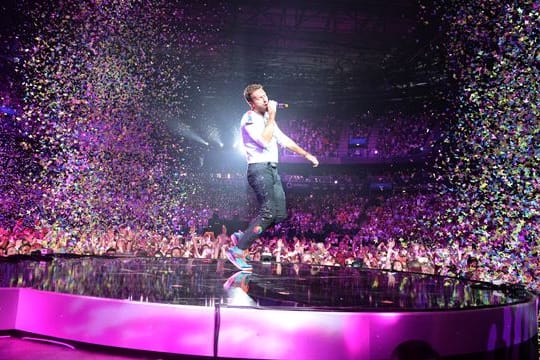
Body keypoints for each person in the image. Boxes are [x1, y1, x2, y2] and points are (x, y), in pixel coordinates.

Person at [225, 84, 319, 271]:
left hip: (272, 170)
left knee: (279, 215)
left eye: (265, 95)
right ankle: (237, 250)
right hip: (259, 170)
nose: (265, 99)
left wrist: (306, 154)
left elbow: (284, 140)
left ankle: (243, 236)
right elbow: (264, 140)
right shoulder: (249, 118)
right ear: (251, 103)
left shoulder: (268, 118)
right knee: (268, 212)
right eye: (260, 98)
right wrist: (273, 115)